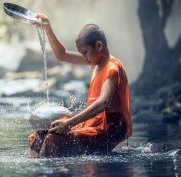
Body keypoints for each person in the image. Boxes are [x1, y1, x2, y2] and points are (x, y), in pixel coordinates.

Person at [28, 13, 132, 158]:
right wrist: (48, 28)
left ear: (99, 45)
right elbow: (62, 55)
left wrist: (69, 122)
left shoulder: (112, 67)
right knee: (37, 137)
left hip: (111, 128)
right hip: (93, 123)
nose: (84, 58)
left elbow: (103, 103)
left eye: (85, 53)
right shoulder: (94, 61)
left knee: (53, 140)